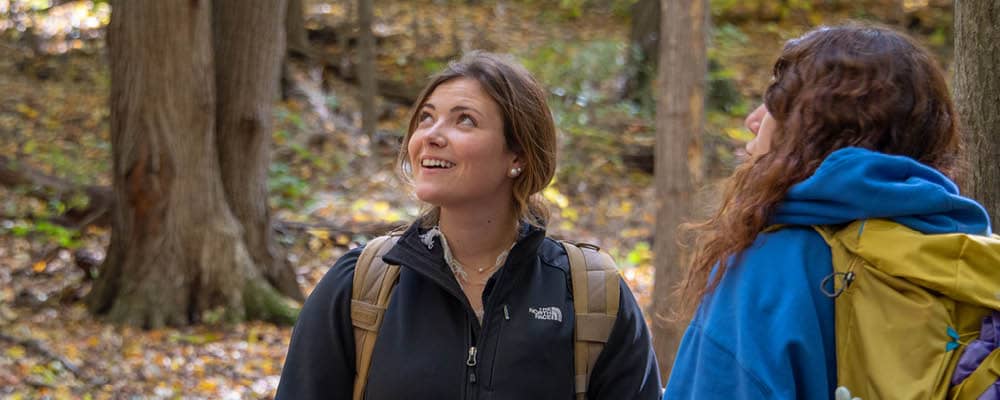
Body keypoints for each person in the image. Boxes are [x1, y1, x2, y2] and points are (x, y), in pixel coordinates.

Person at [276, 51, 661, 399]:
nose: (430, 135)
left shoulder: (591, 296)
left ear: (519, 156)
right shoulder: (359, 286)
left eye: (465, 120)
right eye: (426, 117)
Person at [663, 24, 995, 399]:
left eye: (778, 101)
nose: (753, 119)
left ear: (812, 130)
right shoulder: (971, 259)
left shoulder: (769, 271)